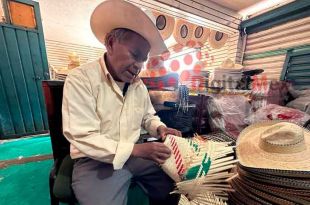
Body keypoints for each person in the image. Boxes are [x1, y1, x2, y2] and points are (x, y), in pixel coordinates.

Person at [62, 0, 182, 204]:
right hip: (95, 160)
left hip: (137, 155)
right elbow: (81, 135)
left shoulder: (138, 85)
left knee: (176, 187)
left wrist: (159, 127)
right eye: (135, 55)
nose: (138, 66)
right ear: (110, 43)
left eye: (143, 59)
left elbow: (147, 116)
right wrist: (134, 150)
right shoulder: (81, 79)